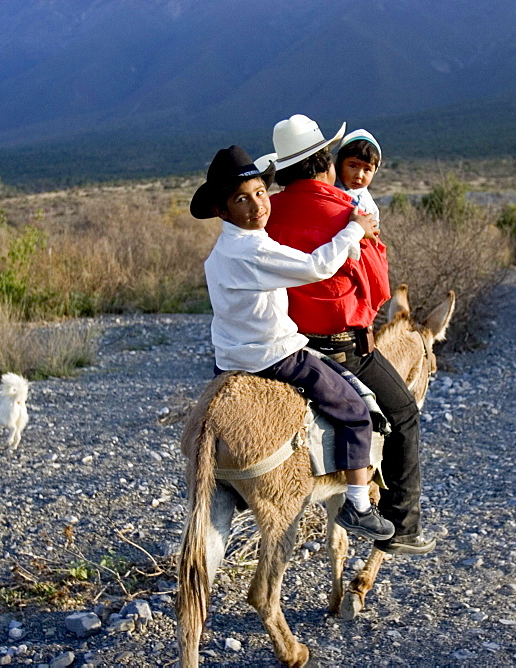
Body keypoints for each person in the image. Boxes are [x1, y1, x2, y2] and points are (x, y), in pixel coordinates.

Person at [191, 144, 394, 542]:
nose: (256, 205)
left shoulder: (221, 252)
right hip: (273, 356)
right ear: (222, 210)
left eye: (260, 193)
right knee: (354, 408)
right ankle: (357, 503)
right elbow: (316, 267)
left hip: (228, 361)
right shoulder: (254, 248)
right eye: (241, 199)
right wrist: (356, 229)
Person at [265, 115, 436, 555]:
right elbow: (379, 290)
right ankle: (403, 527)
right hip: (342, 352)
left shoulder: (266, 213)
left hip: (283, 346)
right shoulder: (352, 216)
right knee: (404, 416)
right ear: (326, 160)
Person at [335, 129, 382, 226]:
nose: (359, 176)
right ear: (340, 165)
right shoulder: (330, 192)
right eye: (353, 166)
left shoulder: (369, 203)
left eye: (367, 170)